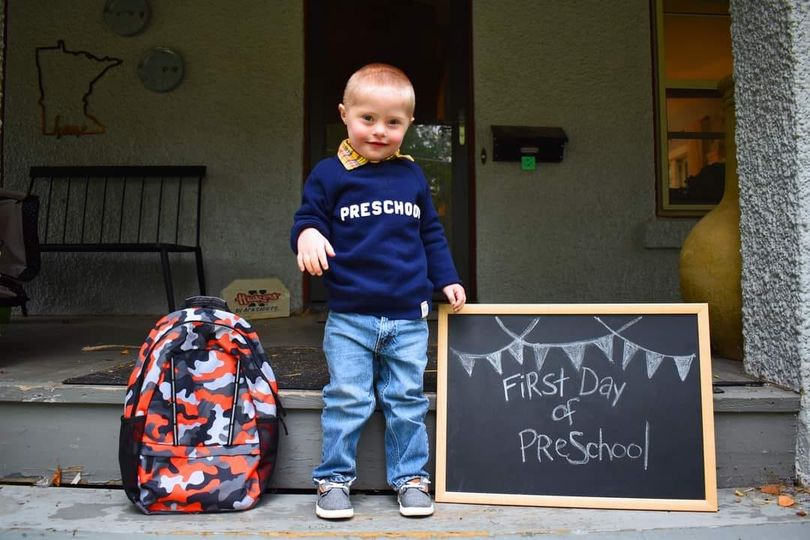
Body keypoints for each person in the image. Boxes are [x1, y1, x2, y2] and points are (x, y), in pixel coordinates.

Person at [290, 63, 466, 519]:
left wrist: (447, 277)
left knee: (406, 398)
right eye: (368, 118)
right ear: (345, 115)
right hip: (350, 315)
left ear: (409, 125)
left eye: (393, 122)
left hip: (409, 314)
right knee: (348, 397)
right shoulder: (330, 174)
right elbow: (308, 218)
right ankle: (333, 481)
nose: (379, 131)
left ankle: (411, 478)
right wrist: (307, 235)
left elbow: (430, 233)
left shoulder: (411, 177)